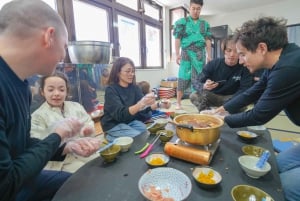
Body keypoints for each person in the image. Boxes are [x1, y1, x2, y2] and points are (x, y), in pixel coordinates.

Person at [0, 1, 100, 201]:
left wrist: (65, 146)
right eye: (64, 47)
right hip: (10, 187)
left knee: (84, 182)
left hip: (22, 178)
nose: (63, 56)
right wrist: (57, 135)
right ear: (49, 36)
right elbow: (5, 184)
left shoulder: (21, 85)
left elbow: (20, 145)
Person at [214, 17, 300, 201]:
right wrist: (222, 109)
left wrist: (220, 121)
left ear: (262, 48)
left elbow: (259, 115)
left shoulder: (289, 67)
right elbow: (254, 91)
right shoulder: (282, 58)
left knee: (283, 187)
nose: (241, 61)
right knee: (274, 168)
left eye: (243, 54)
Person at [31, 71, 101, 173]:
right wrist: (68, 146)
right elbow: (40, 146)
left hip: (83, 152)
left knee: (102, 165)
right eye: (50, 90)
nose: (56, 93)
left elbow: (88, 123)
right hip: (60, 163)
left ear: (67, 91)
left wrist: (87, 131)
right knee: (87, 175)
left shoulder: (76, 106)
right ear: (42, 92)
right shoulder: (37, 116)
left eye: (61, 89)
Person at [100, 57, 171, 142]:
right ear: (118, 72)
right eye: (128, 71)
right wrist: (140, 104)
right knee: (137, 137)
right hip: (114, 124)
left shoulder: (134, 87)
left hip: (129, 121)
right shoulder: (111, 90)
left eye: (133, 71)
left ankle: (120, 137)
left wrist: (160, 104)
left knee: (145, 132)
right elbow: (120, 115)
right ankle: (110, 136)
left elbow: (143, 110)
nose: (131, 74)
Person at [189, 35, 253, 112]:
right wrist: (204, 86)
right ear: (224, 51)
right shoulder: (213, 64)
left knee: (243, 101)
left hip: (231, 97)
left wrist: (228, 104)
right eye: (229, 50)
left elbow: (245, 89)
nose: (232, 54)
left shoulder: (244, 67)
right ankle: (207, 113)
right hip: (213, 96)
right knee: (194, 95)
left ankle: (228, 114)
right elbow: (196, 81)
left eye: (236, 51)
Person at [173, 0, 212, 109]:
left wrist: (209, 55)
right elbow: (177, 38)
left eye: (198, 9)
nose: (195, 11)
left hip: (200, 54)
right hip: (185, 52)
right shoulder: (182, 22)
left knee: (199, 78)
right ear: (189, 8)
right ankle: (178, 103)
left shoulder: (205, 24)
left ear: (201, 9)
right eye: (193, 8)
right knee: (182, 77)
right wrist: (177, 54)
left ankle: (198, 102)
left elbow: (208, 40)